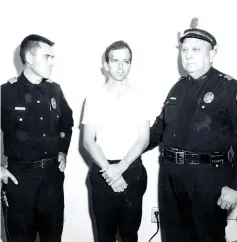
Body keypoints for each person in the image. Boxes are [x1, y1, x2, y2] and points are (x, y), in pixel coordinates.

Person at [145, 19, 237, 242]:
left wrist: (235, 187)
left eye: (196, 49)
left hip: (208, 180)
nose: (187, 55)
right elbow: (158, 130)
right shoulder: (177, 87)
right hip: (170, 178)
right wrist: (122, 155)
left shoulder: (228, 87)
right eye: (184, 50)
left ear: (212, 54)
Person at [1, 34, 74, 242]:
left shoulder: (54, 90)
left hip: (51, 178)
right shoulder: (6, 93)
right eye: (47, 57)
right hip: (20, 179)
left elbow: (66, 123)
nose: (53, 62)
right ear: (30, 58)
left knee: (52, 237)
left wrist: (62, 150)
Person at [82, 40, 149, 242]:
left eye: (126, 61)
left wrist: (120, 168)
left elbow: (143, 139)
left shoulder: (140, 97)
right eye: (115, 61)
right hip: (103, 171)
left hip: (131, 171)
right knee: (104, 236)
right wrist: (110, 171)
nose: (120, 67)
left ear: (130, 64)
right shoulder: (93, 98)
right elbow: (88, 141)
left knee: (130, 235)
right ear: (106, 64)